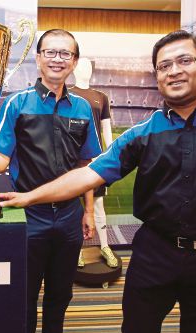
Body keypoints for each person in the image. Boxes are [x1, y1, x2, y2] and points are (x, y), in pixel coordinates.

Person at [0, 30, 196, 333]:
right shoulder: (141, 134)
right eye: (163, 66)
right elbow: (87, 174)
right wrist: (30, 198)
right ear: (157, 75)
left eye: (184, 60)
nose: (173, 71)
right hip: (154, 254)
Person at [0, 29, 102, 333]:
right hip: (28, 215)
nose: (57, 59)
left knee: (60, 295)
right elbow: (0, 161)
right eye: (50, 52)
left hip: (68, 216)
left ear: (74, 61)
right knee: (24, 295)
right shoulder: (17, 104)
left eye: (65, 54)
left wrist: (88, 211)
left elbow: (86, 166)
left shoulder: (83, 108)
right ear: (38, 58)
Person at [70, 57, 117, 268]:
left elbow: (106, 129)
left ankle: (105, 246)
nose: (86, 69)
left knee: (98, 205)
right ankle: (77, 250)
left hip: (95, 160)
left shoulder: (101, 97)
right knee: (73, 206)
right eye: (82, 64)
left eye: (89, 66)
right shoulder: (67, 93)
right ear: (74, 68)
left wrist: (110, 155)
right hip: (71, 160)